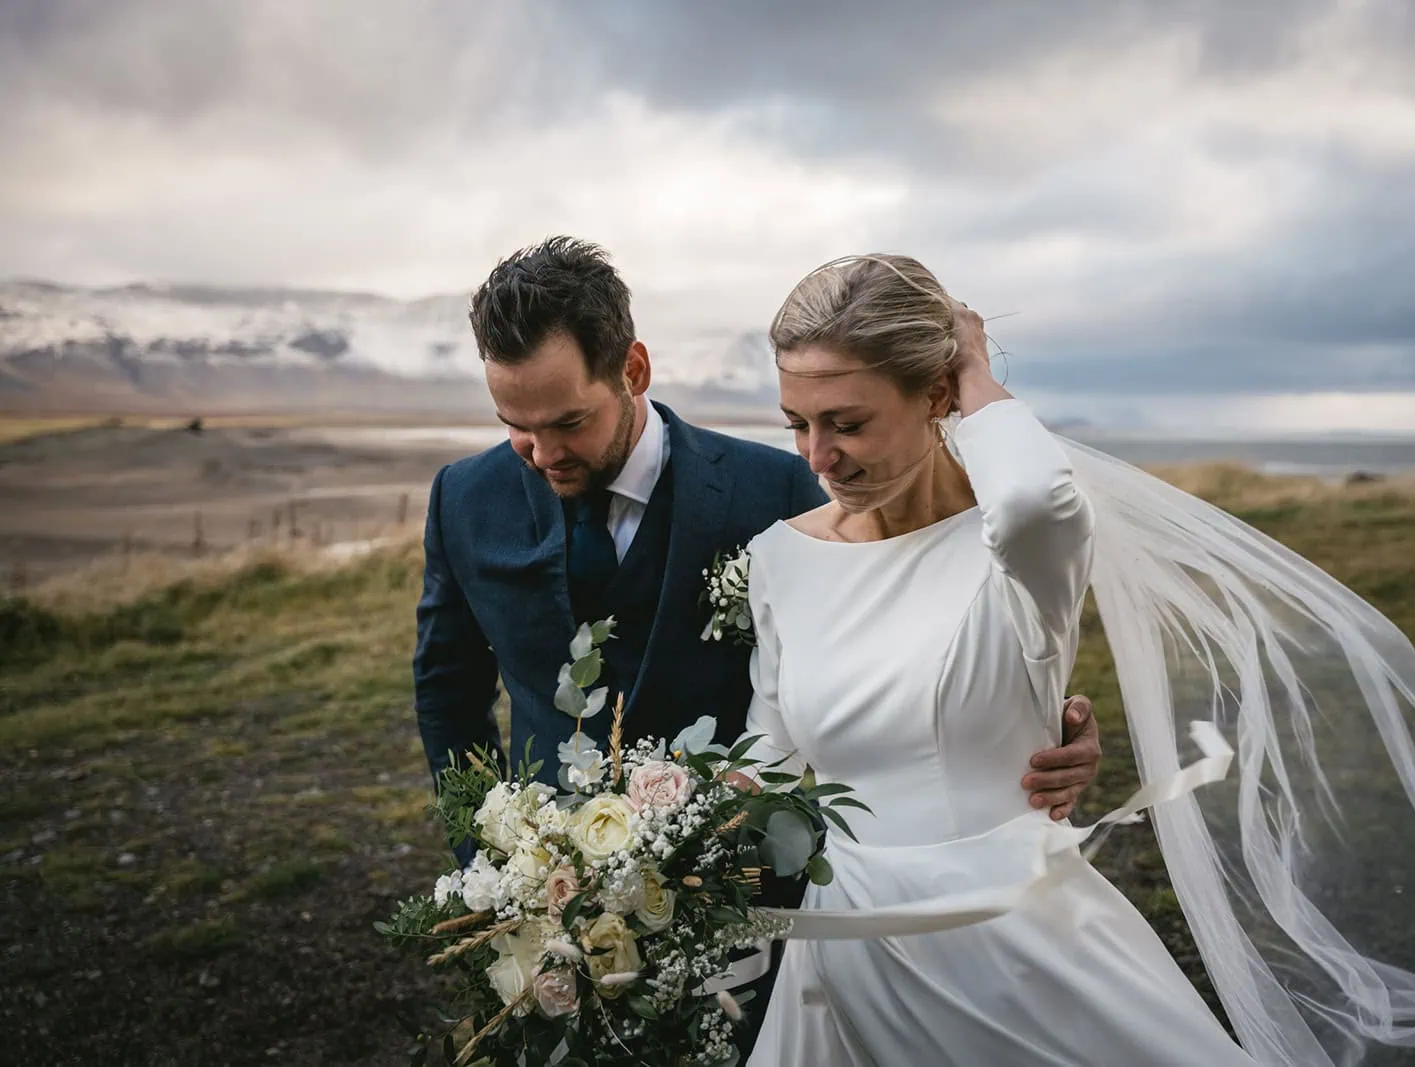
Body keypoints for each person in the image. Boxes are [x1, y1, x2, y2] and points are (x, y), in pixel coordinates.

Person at [742, 254, 1415, 1066]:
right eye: (799, 424)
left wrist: (975, 370)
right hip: (842, 950)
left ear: (935, 395)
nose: (817, 458)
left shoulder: (1019, 551)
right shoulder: (782, 558)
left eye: (847, 423)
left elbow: (1034, 496)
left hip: (1004, 944)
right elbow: (768, 752)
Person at [410, 236, 1105, 1051]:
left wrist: (1024, 723)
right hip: (565, 917)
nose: (542, 453)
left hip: (790, 922)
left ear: (632, 369)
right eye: (515, 426)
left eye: (568, 421)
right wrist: (506, 870)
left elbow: (1002, 571)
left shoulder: (772, 496)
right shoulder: (466, 498)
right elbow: (448, 690)